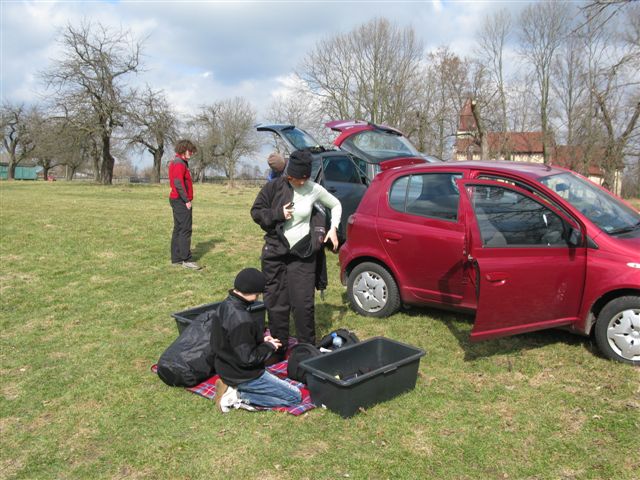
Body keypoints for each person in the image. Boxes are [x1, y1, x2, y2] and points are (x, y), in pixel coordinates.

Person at [251, 149, 342, 361]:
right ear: (288, 175)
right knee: (276, 302)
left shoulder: (313, 189)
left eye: (304, 178)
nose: (301, 183)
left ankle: (306, 350)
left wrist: (333, 228)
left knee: (303, 304)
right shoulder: (273, 187)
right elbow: (256, 212)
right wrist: (277, 214)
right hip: (275, 252)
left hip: (302, 254)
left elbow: (336, 204)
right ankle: (279, 347)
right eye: (297, 179)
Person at [211, 268, 302, 413]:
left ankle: (230, 385)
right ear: (253, 292)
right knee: (294, 397)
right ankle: (236, 395)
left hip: (225, 367)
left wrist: (260, 338)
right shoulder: (242, 319)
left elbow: (232, 338)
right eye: (258, 293)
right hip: (243, 375)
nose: (258, 297)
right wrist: (268, 346)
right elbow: (248, 359)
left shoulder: (225, 304)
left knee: (286, 390)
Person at [169, 139, 200, 270]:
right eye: (190, 151)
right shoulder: (179, 164)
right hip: (180, 200)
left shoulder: (181, 163)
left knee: (179, 228)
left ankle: (176, 258)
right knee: (185, 229)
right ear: (183, 149)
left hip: (178, 199)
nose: (192, 153)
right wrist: (186, 200)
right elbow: (178, 183)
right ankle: (186, 259)